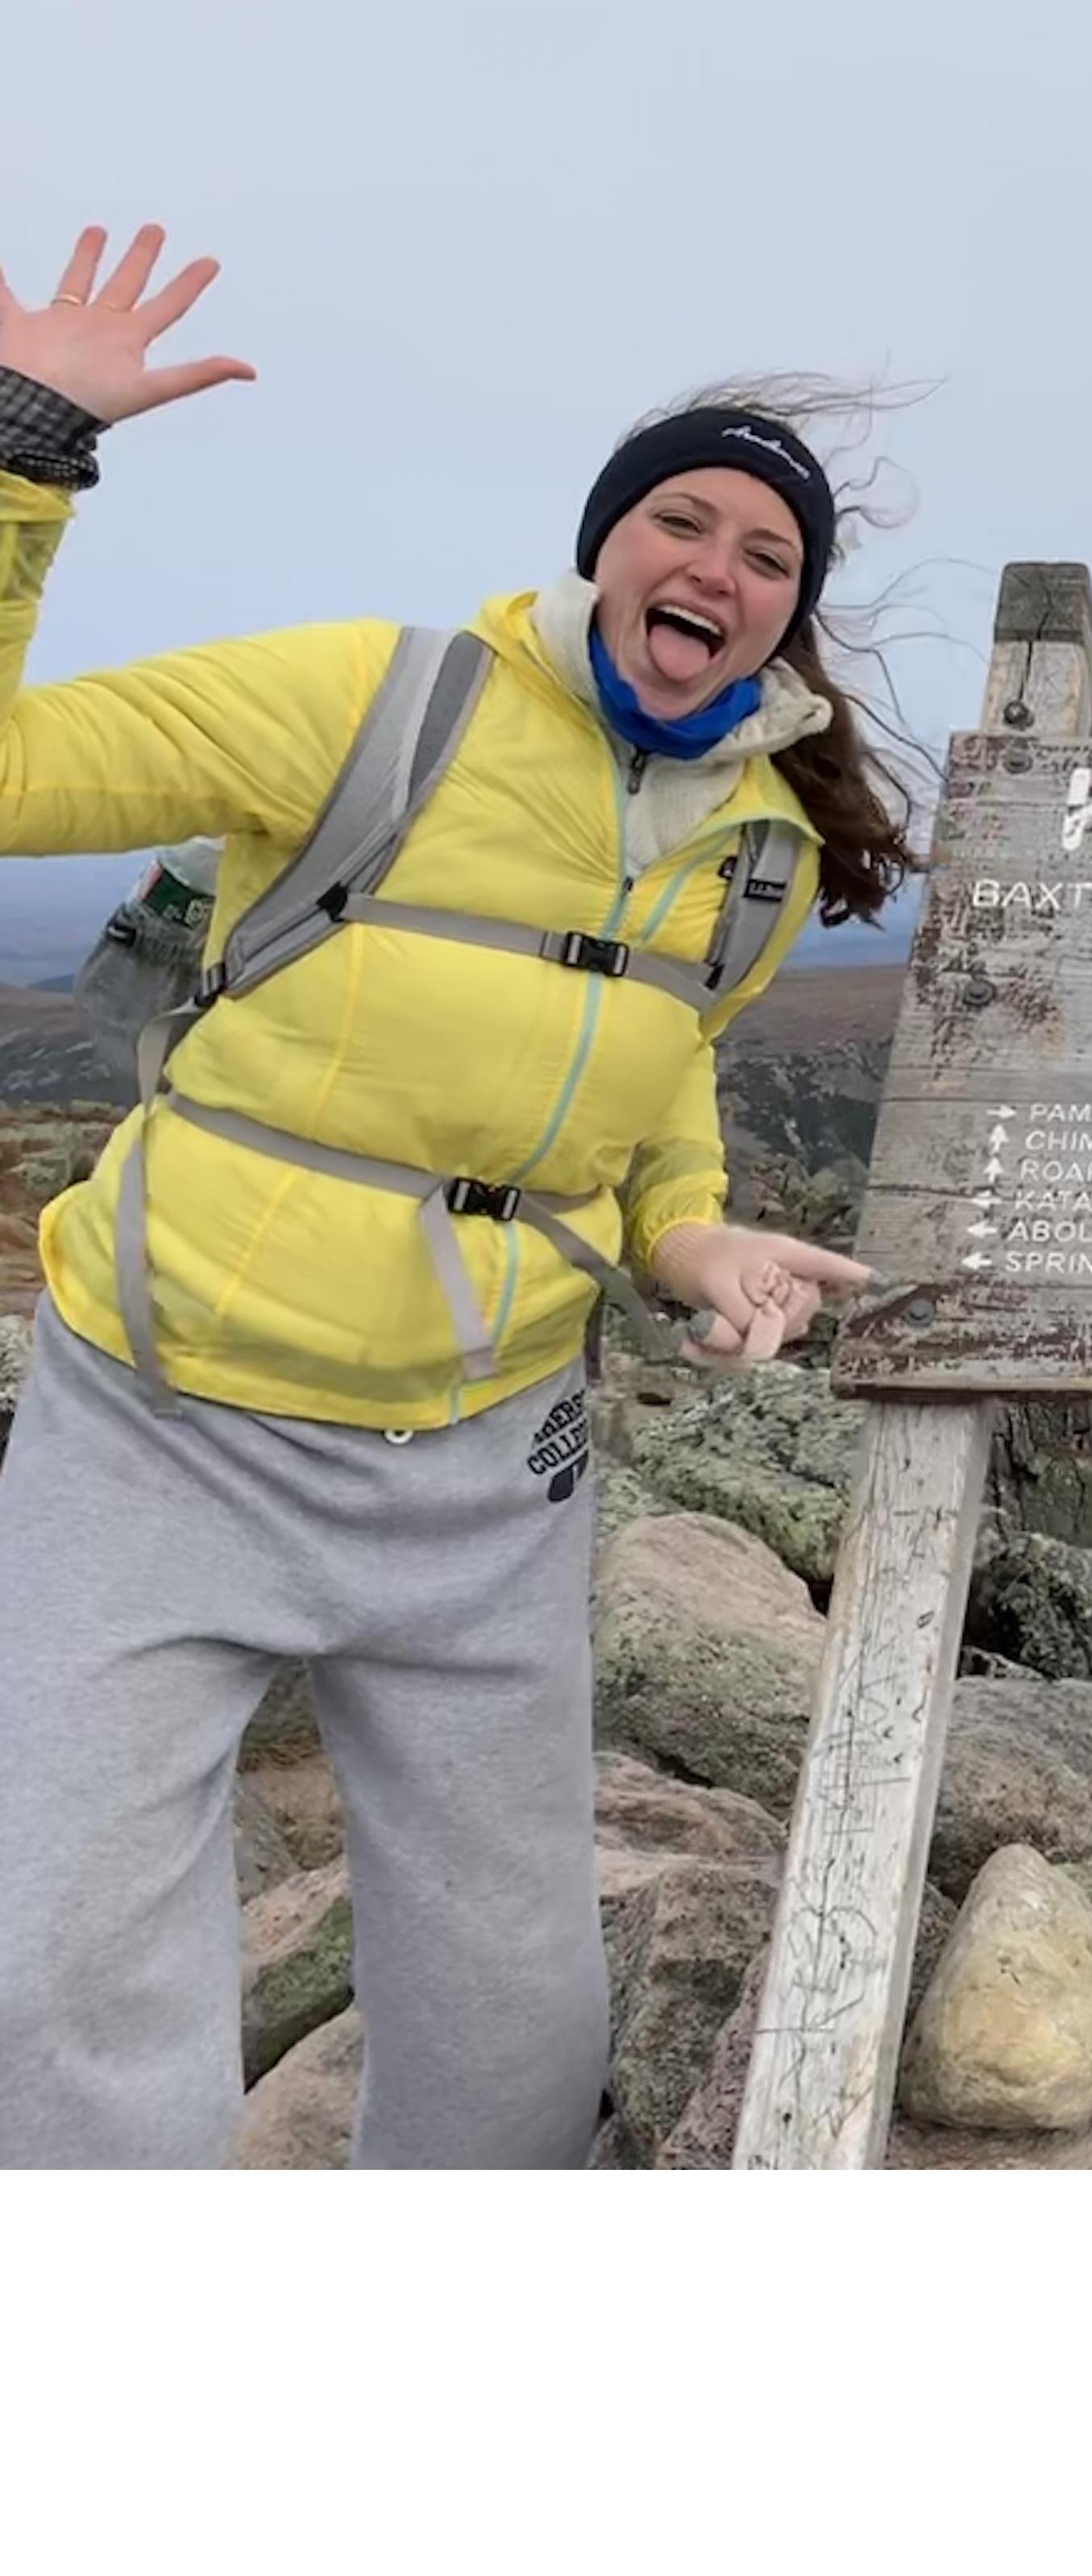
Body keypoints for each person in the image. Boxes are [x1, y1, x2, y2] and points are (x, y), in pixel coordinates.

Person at [0, 228, 910, 2168]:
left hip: (483, 1460)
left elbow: (655, 1094)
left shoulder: (750, 844)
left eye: (770, 560)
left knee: (510, 2016)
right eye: (686, 521)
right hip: (168, 1422)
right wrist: (33, 445)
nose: (720, 573)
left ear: (788, 623)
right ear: (604, 545)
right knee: (53, 1975)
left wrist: (690, 1233)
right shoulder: (373, 705)